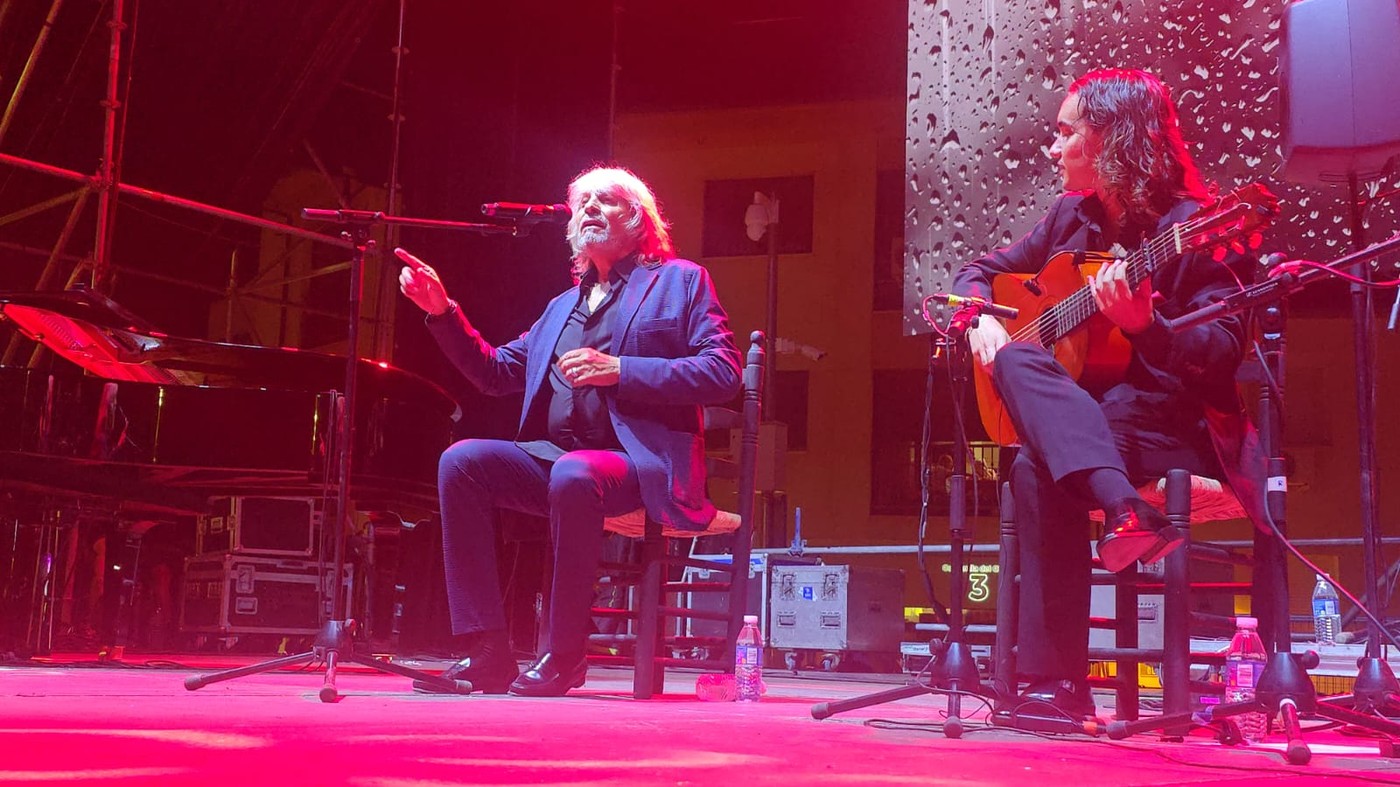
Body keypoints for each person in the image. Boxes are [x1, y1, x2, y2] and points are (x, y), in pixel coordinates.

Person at [950, 69, 1256, 718]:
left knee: (1036, 463)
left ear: (1113, 141)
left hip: (1174, 427)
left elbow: (1224, 352)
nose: (1053, 148)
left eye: (1066, 134)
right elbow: (977, 272)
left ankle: (1057, 685)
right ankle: (1125, 509)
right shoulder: (1070, 218)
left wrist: (1147, 327)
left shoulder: (1198, 226)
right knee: (1017, 358)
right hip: (1094, 427)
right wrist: (977, 315)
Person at [396, 165, 742, 697]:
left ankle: (564, 655)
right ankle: (488, 651)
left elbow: (723, 372)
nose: (589, 209)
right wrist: (443, 313)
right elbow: (495, 373)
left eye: (604, 200)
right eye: (582, 203)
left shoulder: (681, 282)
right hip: (559, 463)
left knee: (576, 474)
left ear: (637, 218)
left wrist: (622, 369)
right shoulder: (563, 307)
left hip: (639, 465)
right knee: (462, 462)